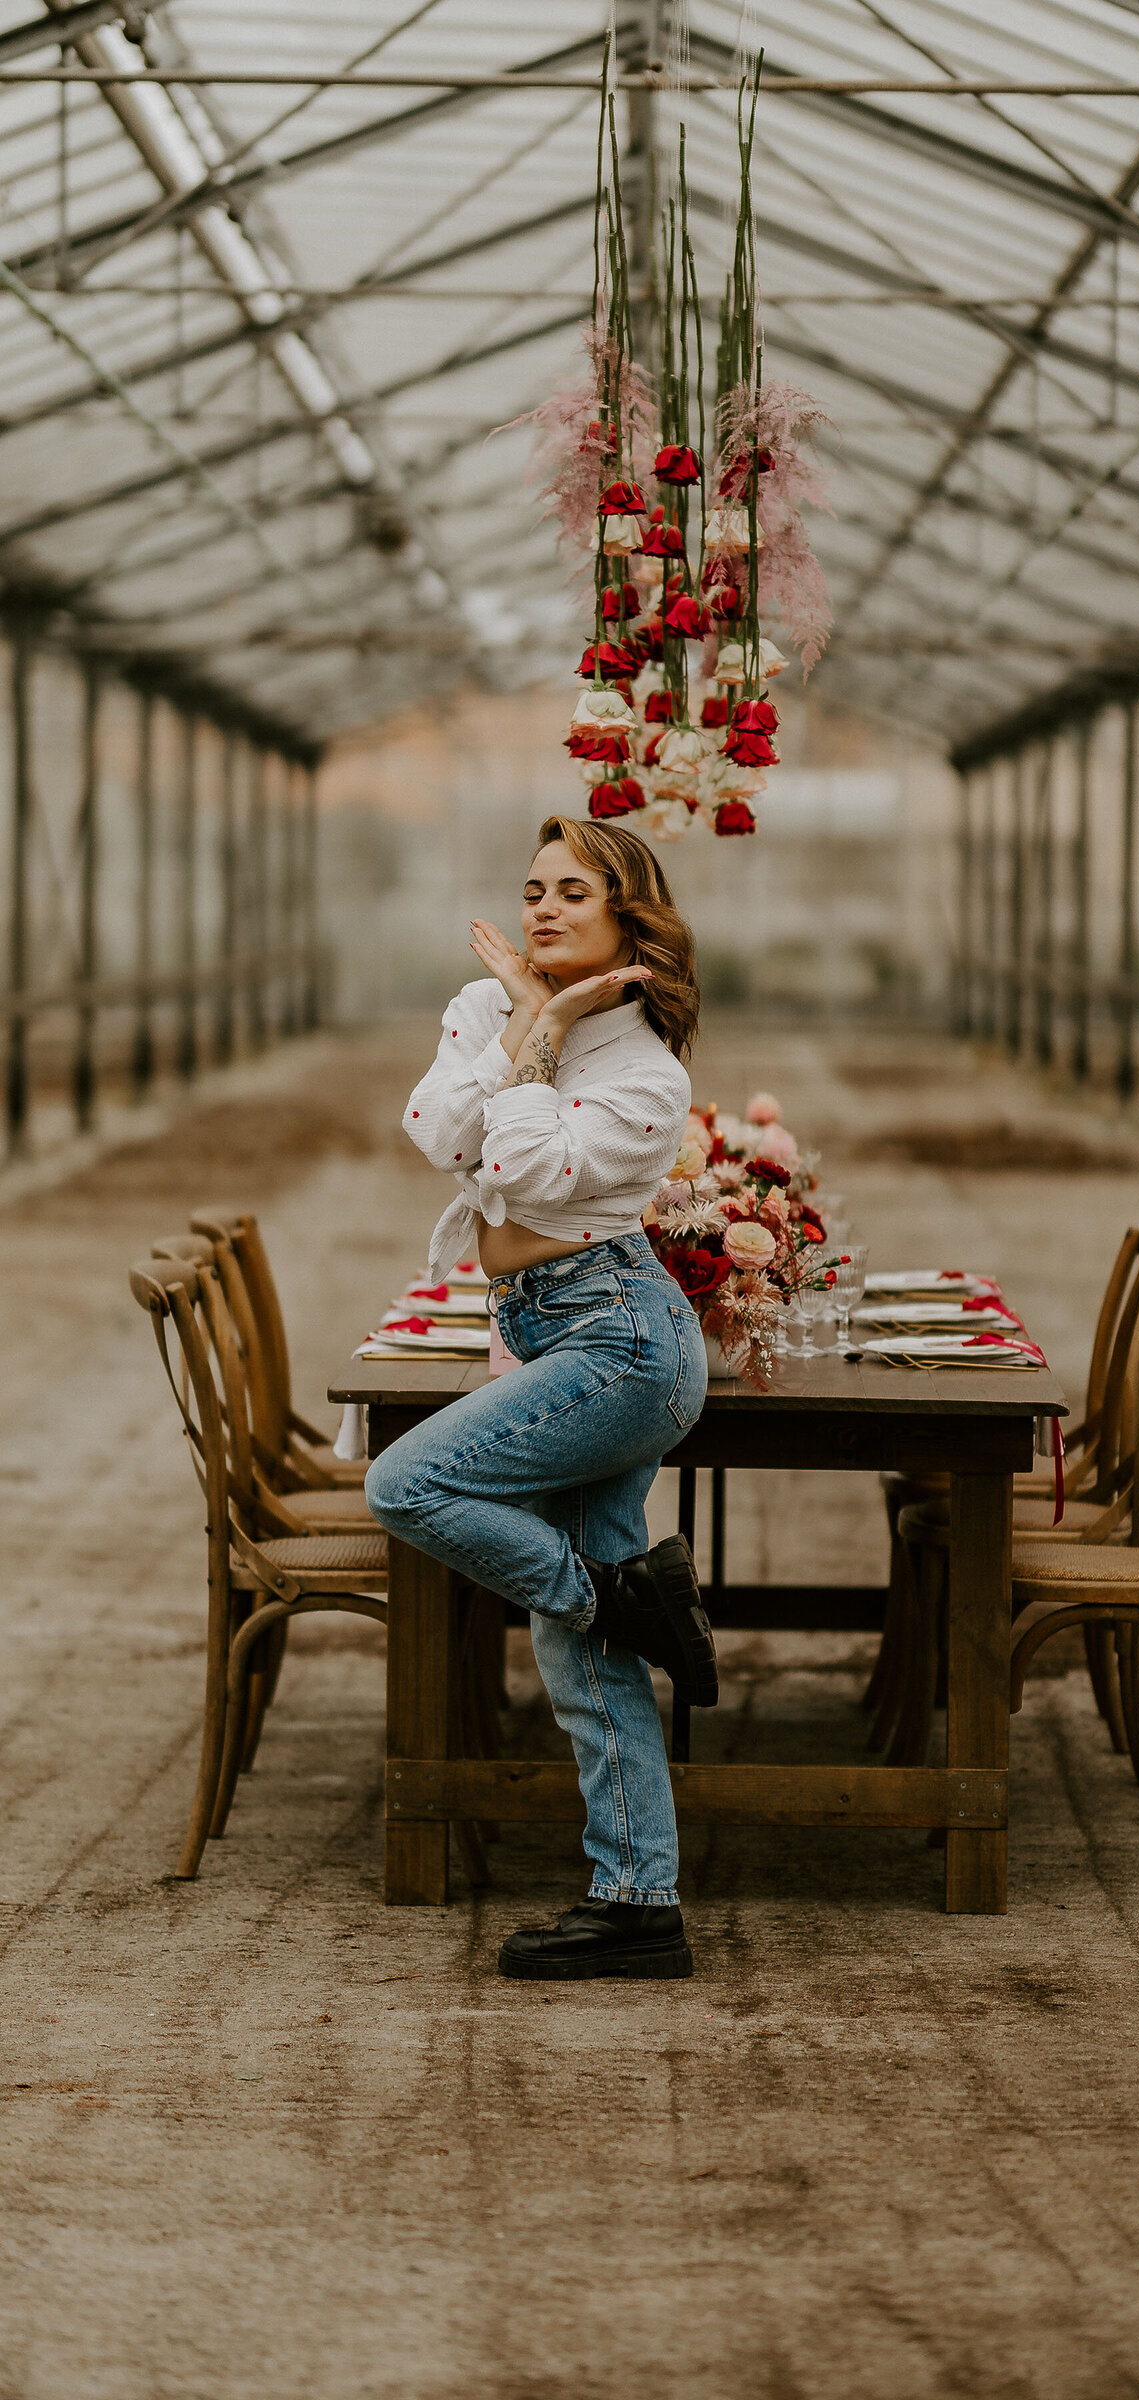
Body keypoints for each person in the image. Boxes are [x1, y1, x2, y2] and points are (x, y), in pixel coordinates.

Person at [365, 814, 713, 1982]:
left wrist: (541, 1029)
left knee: (405, 1482)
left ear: (629, 918)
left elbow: (520, 1170)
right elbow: (433, 1133)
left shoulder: (645, 1076)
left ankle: (620, 1598)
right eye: (532, 889)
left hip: (620, 1344)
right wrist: (519, 1023)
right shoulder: (483, 1006)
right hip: (552, 1330)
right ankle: (637, 1901)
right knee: (576, 1648)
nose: (543, 909)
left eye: (575, 891)